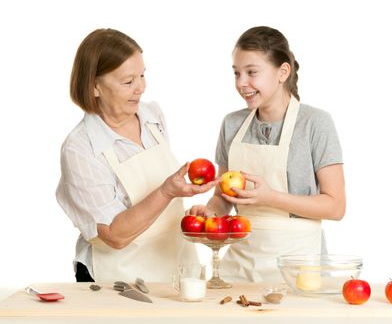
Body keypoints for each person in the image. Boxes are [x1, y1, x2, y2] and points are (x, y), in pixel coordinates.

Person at [56, 28, 216, 283]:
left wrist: (185, 215)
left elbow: (157, 210)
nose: (141, 88)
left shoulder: (153, 117)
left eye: (142, 75)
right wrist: (166, 193)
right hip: (117, 278)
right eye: (128, 81)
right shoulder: (81, 148)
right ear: (94, 86)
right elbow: (113, 235)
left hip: (173, 263)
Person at [190, 26, 346, 283]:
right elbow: (222, 196)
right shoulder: (232, 124)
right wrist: (211, 213)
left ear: (282, 72)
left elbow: (335, 206)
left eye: (252, 72)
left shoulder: (315, 123)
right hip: (241, 266)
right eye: (237, 73)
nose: (242, 83)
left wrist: (270, 197)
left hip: (300, 267)